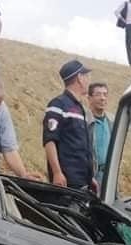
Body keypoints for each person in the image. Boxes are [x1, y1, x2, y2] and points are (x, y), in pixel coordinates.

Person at [43, 60, 96, 191]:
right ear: (79, 78)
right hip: (67, 182)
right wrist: (57, 172)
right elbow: (49, 141)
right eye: (87, 76)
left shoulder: (80, 108)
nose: (89, 80)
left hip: (83, 182)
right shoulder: (58, 104)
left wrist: (90, 177)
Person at [86, 82, 114, 191]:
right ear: (89, 98)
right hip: (92, 175)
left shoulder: (112, 121)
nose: (102, 98)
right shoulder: (84, 122)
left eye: (105, 94)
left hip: (110, 174)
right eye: (98, 94)